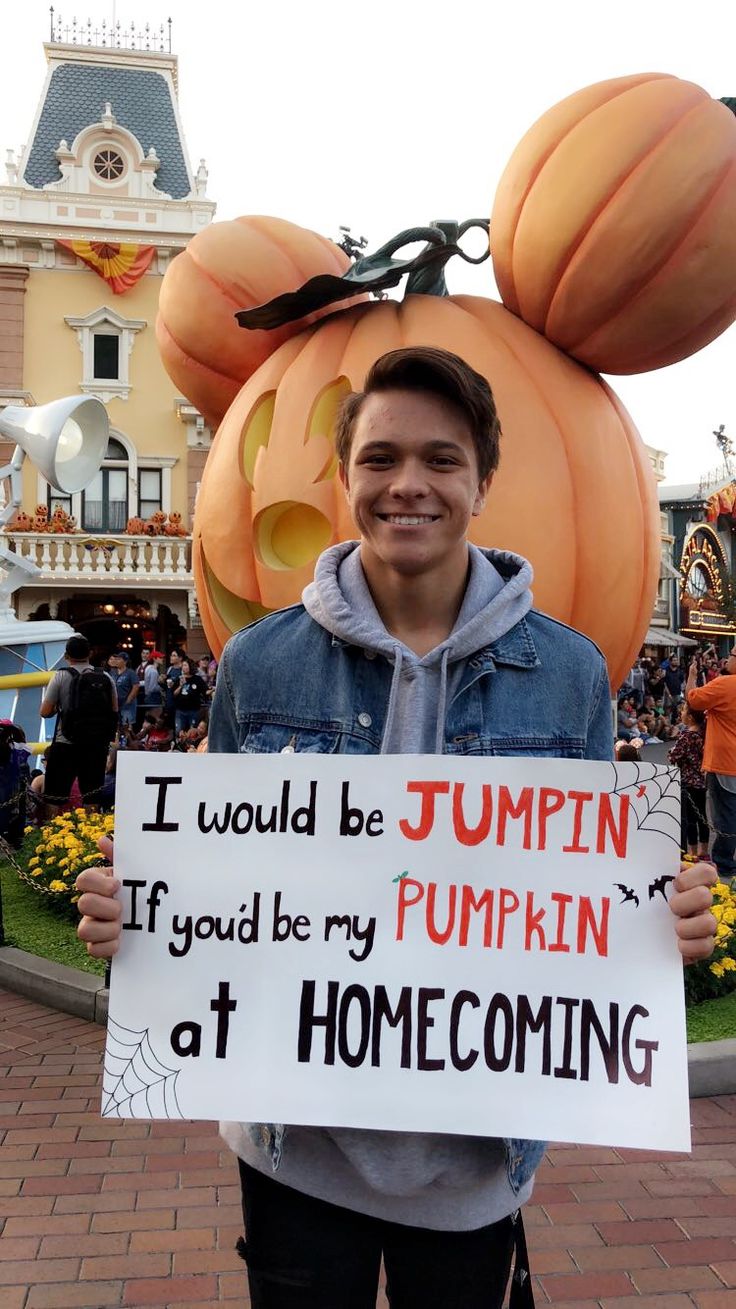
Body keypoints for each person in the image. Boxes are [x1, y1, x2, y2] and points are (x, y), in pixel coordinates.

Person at [76, 347, 717, 1309]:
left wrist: (659, 925)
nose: (407, 484)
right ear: (345, 475)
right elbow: (218, 888)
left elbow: (588, 901)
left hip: (471, 1168)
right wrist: (138, 909)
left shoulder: (573, 676)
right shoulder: (259, 664)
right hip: (297, 1155)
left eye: (441, 459)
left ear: (482, 479)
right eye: (379, 458)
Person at [40, 635, 117, 809]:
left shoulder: (60, 676)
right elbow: (114, 710)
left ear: (67, 656)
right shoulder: (105, 677)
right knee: (92, 795)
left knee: (54, 795)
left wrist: (59, 708)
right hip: (96, 745)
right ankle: (92, 833)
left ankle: (52, 831)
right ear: (89, 653)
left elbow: (44, 712)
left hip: (66, 742)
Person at [686, 648, 736, 885]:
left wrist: (692, 676)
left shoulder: (727, 684)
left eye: (733, 655)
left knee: (725, 815)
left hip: (725, 762)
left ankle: (724, 866)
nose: (727, 659)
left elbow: (693, 700)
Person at [668, 704, 709, 859]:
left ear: (690, 717)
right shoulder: (703, 734)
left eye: (684, 710)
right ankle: (704, 850)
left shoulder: (686, 736)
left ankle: (692, 852)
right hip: (700, 781)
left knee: (690, 819)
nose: (681, 712)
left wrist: (670, 752)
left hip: (687, 782)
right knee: (702, 817)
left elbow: (674, 756)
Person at [172, 658, 208, 735]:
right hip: (180, 710)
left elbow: (205, 691)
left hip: (193, 710)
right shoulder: (179, 678)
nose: (183, 667)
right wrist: (181, 686)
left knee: (193, 732)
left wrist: (212, 691)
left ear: (190, 667)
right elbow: (174, 693)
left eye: (185, 665)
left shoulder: (197, 679)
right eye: (183, 665)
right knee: (179, 731)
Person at [108, 652, 139, 730]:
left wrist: (128, 700)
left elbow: (136, 687)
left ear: (125, 661)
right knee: (116, 726)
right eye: (116, 659)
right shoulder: (112, 672)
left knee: (126, 726)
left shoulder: (131, 673)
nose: (116, 661)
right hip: (115, 704)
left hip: (127, 705)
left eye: (119, 659)